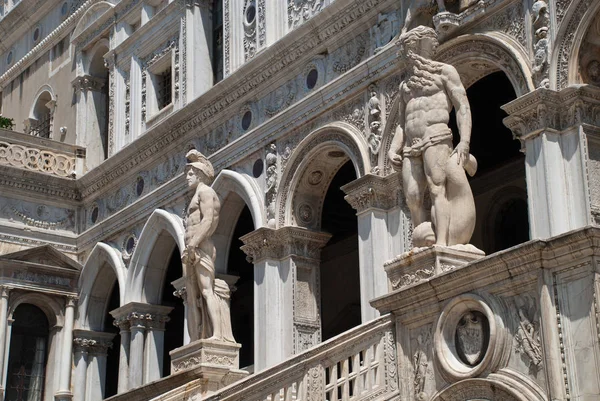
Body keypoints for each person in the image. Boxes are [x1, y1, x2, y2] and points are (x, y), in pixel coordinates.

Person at [388, 26, 477, 247]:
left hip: (436, 137)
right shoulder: (405, 85)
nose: (407, 56)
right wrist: (393, 148)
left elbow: (462, 106)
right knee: (413, 197)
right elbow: (402, 123)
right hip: (411, 145)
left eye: (409, 49)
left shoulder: (444, 72)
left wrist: (464, 140)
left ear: (421, 47)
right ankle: (421, 246)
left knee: (437, 188)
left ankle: (441, 243)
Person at [183, 149, 226, 341]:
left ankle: (217, 334)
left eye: (191, 174)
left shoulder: (207, 192)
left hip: (201, 246)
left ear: (200, 174)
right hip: (190, 248)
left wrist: (194, 243)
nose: (187, 177)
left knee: (207, 290)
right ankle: (196, 338)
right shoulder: (194, 196)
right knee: (192, 297)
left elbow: (208, 220)